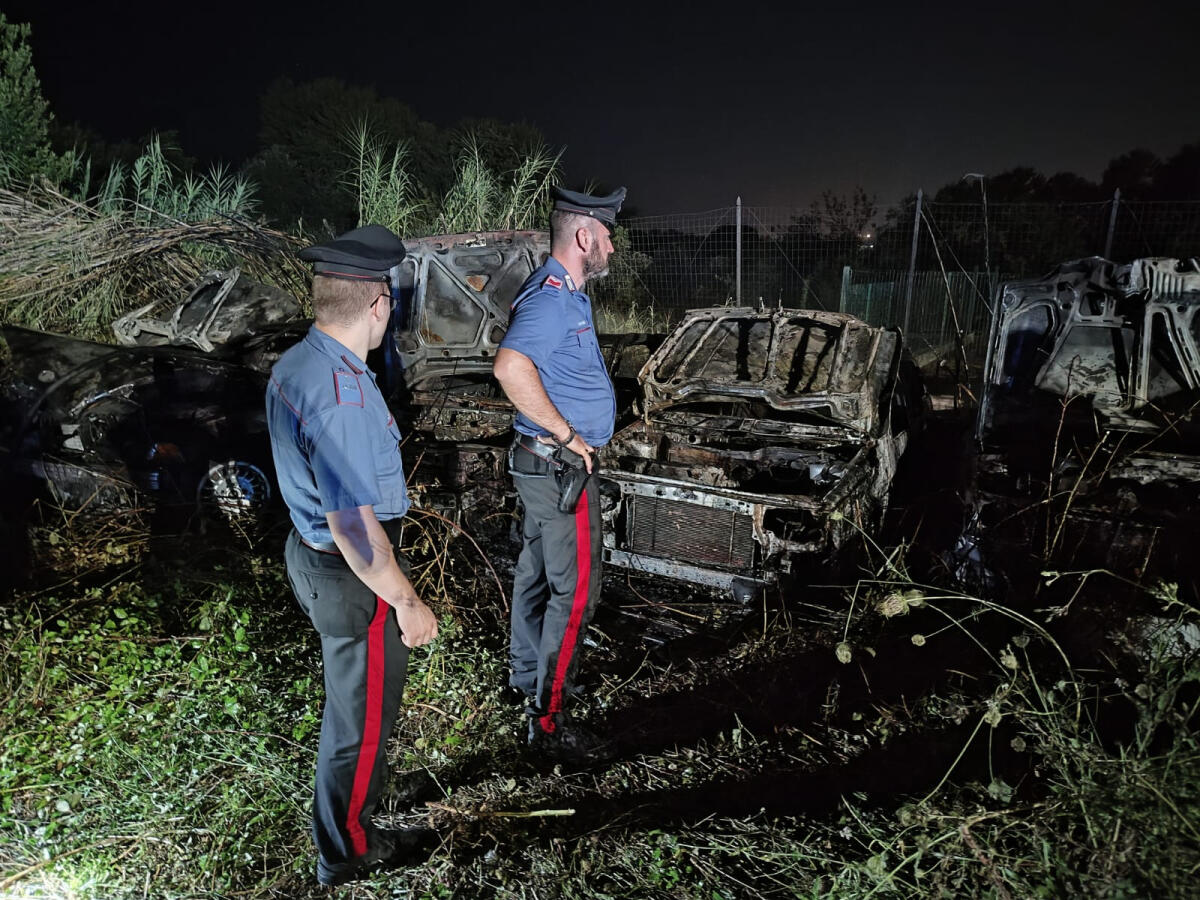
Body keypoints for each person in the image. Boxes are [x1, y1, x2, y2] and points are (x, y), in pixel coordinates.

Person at [265, 224, 438, 886]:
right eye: (391, 301)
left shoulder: (302, 362)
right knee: (359, 723)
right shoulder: (338, 395)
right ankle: (347, 851)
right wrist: (408, 602)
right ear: (376, 304)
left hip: (316, 556)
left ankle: (356, 813)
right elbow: (357, 532)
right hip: (351, 576)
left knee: (355, 712)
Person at [492, 185, 625, 760]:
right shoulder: (551, 298)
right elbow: (510, 366)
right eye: (608, 236)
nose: (613, 248)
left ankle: (526, 681)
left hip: (544, 465)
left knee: (537, 576)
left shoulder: (567, 294)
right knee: (576, 594)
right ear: (583, 236)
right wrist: (571, 436)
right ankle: (547, 722)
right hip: (560, 466)